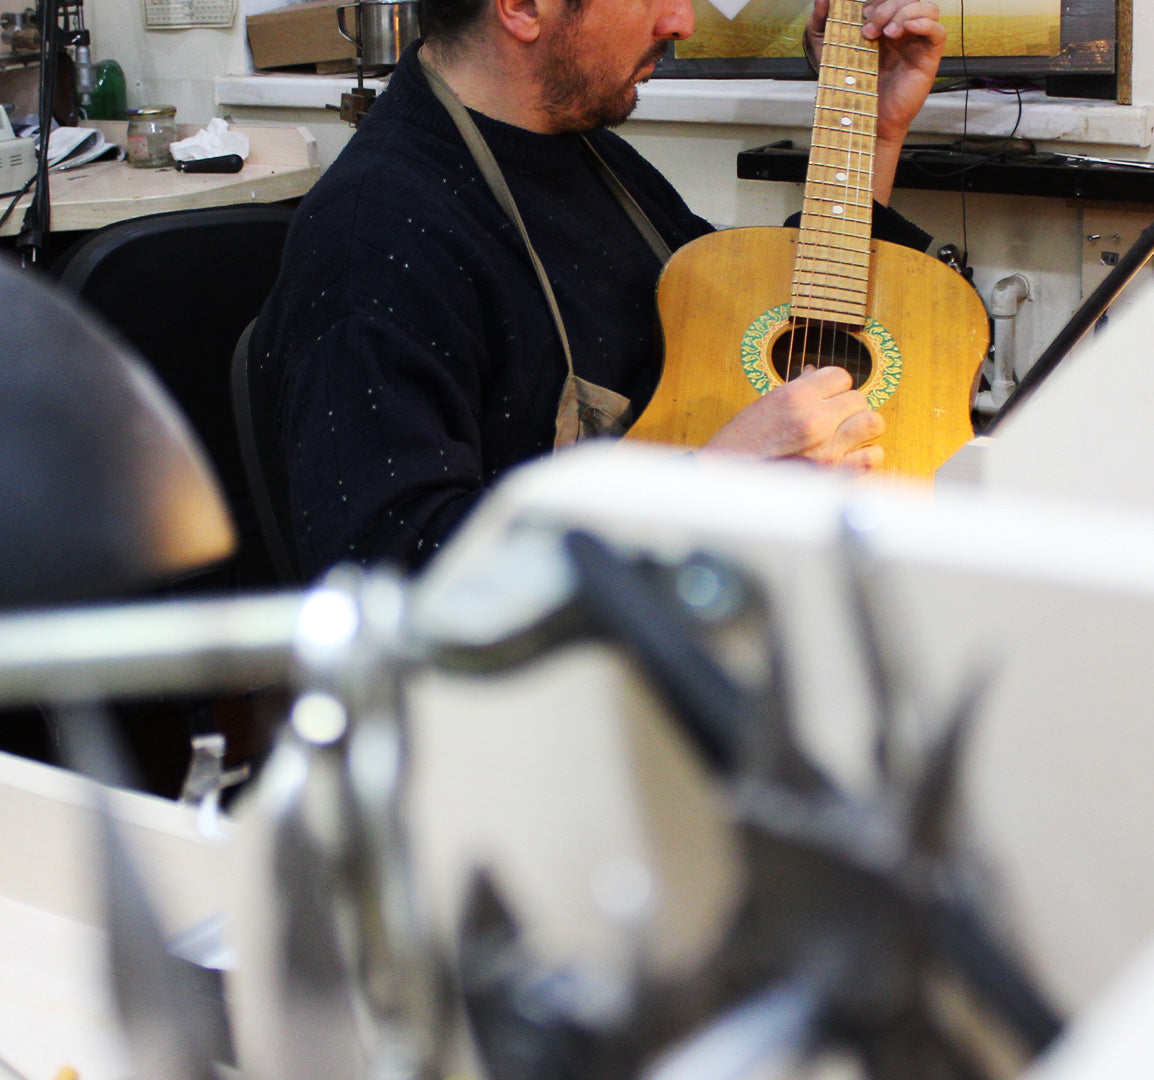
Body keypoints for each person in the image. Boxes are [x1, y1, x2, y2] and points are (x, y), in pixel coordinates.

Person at [251, 0, 947, 578]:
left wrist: (873, 134)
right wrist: (707, 486)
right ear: (522, 7)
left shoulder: (582, 150)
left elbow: (765, 329)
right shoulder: (374, 238)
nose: (682, 22)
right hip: (538, 703)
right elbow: (387, 574)